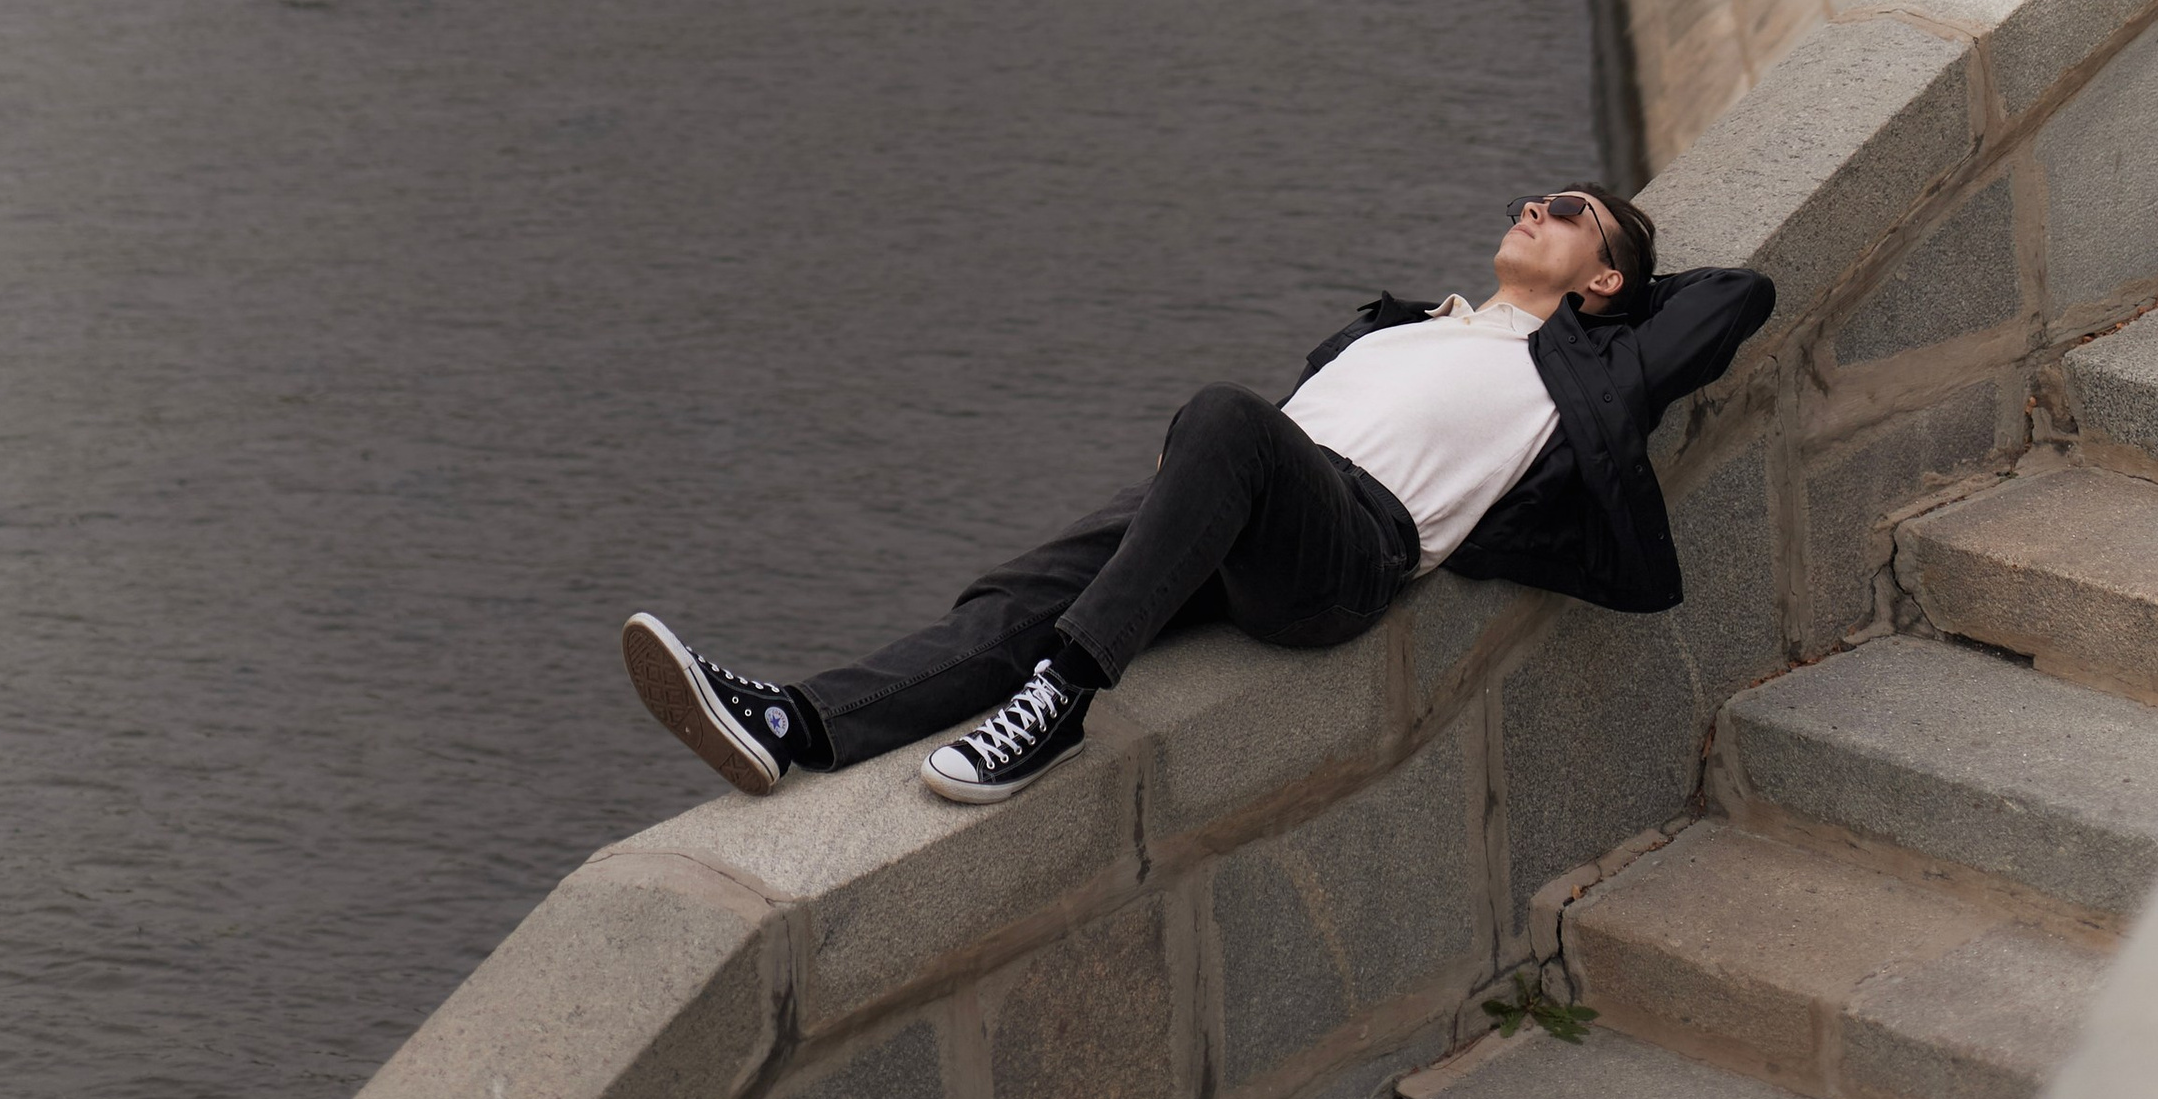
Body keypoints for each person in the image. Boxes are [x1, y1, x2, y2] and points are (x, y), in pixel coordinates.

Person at [623, 189, 1773, 809]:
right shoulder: (1409, 328)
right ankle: (796, 724)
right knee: (1028, 590)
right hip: (1253, 505)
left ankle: (1062, 701)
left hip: (1349, 554)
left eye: (1568, 211)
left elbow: (1739, 293)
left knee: (1221, 414)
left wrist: (1627, 292)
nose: (1535, 203)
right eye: (1535, 196)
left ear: (1609, 279)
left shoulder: (1583, 375)